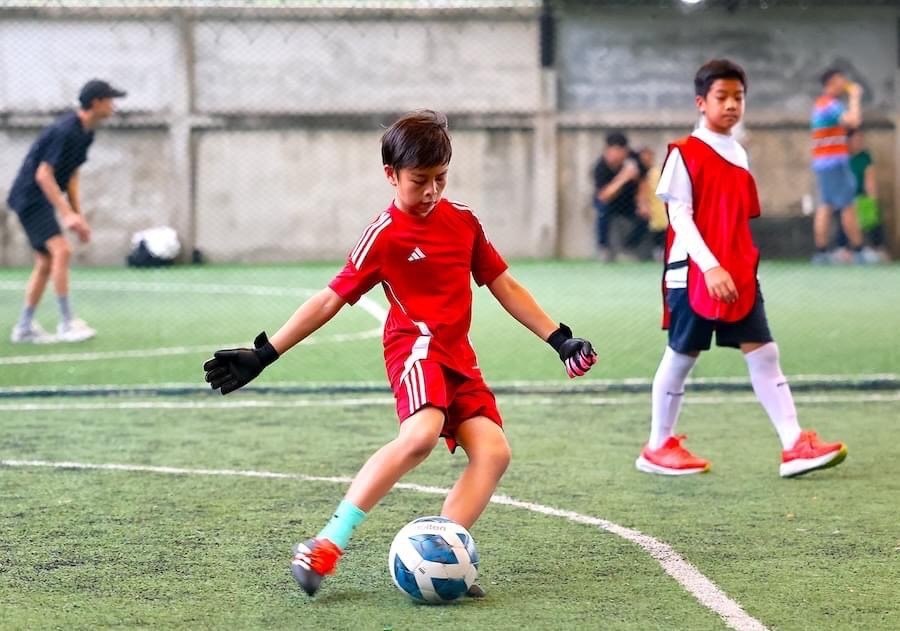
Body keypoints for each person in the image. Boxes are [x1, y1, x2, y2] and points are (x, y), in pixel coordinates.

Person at [202, 110, 598, 597]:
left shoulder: (464, 222)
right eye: (419, 181)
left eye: (440, 179)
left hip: (458, 357)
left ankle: (443, 550)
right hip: (415, 349)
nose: (432, 191)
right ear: (391, 175)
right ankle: (325, 544)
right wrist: (265, 353)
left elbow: (503, 283)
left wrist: (559, 338)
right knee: (419, 437)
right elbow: (330, 298)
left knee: (494, 453)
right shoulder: (383, 235)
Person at [635, 59, 847, 478]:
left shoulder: (739, 152)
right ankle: (658, 446)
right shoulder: (684, 153)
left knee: (765, 352)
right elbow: (680, 218)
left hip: (738, 275)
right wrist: (711, 268)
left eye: (739, 96)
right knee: (682, 355)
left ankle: (793, 445)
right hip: (695, 275)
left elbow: (736, 222)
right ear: (701, 102)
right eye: (722, 97)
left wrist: (735, 268)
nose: (732, 104)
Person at [7, 79, 127, 343]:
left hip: (40, 197)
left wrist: (77, 214)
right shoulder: (66, 130)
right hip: (30, 197)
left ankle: (24, 327)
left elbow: (71, 174)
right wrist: (66, 214)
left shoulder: (86, 133)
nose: (114, 106)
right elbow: (43, 175)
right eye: (110, 100)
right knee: (61, 251)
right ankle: (66, 323)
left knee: (46, 262)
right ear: (96, 102)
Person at [809, 68, 870, 264]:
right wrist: (855, 97)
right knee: (847, 205)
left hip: (824, 163)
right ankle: (859, 252)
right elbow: (854, 121)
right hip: (834, 162)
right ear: (832, 82)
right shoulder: (830, 105)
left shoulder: (822, 104)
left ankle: (822, 252)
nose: (844, 83)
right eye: (841, 80)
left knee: (826, 205)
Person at [592, 132, 650, 262]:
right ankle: (604, 248)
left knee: (646, 216)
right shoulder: (600, 167)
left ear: (625, 152)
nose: (613, 156)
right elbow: (603, 196)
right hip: (609, 202)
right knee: (602, 210)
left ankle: (629, 248)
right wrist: (623, 178)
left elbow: (643, 181)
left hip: (629, 201)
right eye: (610, 152)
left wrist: (643, 203)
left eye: (618, 152)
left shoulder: (635, 160)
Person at [847, 128, 886, 258]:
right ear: (848, 141)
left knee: (870, 210)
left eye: (861, 139)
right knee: (845, 213)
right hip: (845, 199)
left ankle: (877, 249)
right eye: (856, 139)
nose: (859, 142)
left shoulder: (865, 157)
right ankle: (845, 249)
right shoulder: (842, 158)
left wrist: (871, 200)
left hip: (861, 197)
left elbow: (870, 181)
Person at [638, 147, 668, 262]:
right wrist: (644, 205)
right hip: (655, 207)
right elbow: (643, 191)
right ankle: (657, 252)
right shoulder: (650, 174)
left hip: (664, 207)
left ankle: (663, 252)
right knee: (657, 230)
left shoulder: (658, 172)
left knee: (666, 230)